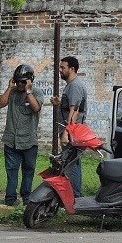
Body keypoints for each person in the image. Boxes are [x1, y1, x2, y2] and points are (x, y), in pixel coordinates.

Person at [0, 64, 43, 206]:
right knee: (11, 171)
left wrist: (28, 92)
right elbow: (0, 103)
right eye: (18, 81)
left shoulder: (36, 93)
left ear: (30, 80)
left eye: (23, 81)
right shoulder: (13, 92)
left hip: (29, 140)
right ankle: (10, 199)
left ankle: (26, 198)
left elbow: (36, 107)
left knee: (28, 171)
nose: (20, 84)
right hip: (11, 140)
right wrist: (10, 87)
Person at [50, 56, 88, 197]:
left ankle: (76, 197)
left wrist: (66, 133)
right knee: (71, 163)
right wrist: (59, 103)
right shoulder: (72, 85)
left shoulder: (75, 86)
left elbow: (75, 111)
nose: (60, 70)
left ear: (72, 69)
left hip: (72, 133)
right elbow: (71, 107)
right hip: (73, 132)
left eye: (62, 67)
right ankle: (73, 196)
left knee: (72, 165)